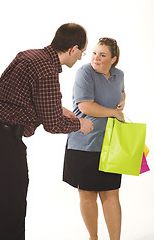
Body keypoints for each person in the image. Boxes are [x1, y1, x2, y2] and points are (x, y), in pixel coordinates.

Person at [0, 23, 93, 240]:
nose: (80, 59)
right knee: (12, 208)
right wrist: (81, 125)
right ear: (72, 49)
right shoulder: (48, 70)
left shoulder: (29, 55)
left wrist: (62, 110)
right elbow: (53, 124)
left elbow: (13, 95)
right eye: (82, 53)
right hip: (5, 140)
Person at [63, 37, 125, 240]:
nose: (96, 58)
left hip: (110, 144)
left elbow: (120, 93)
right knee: (87, 194)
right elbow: (85, 106)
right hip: (83, 143)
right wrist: (114, 113)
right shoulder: (85, 72)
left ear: (113, 59)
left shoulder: (119, 75)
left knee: (111, 193)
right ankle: (93, 237)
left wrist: (123, 99)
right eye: (94, 53)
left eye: (103, 55)